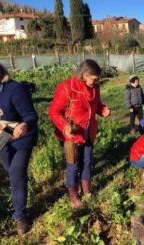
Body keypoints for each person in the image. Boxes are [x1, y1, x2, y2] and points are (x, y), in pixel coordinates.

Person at [48, 59, 111, 209]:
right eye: (94, 78)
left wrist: (103, 110)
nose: (96, 81)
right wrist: (65, 126)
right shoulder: (66, 88)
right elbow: (54, 111)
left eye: (97, 79)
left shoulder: (95, 88)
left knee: (87, 162)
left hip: (89, 132)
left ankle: (86, 190)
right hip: (72, 135)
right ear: (84, 75)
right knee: (73, 166)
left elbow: (96, 107)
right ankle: (73, 193)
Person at [0, 58, 38, 235]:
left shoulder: (15, 89)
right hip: (0, 137)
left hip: (21, 135)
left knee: (15, 173)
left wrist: (23, 125)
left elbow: (31, 116)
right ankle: (21, 184)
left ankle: (19, 216)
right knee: (11, 170)